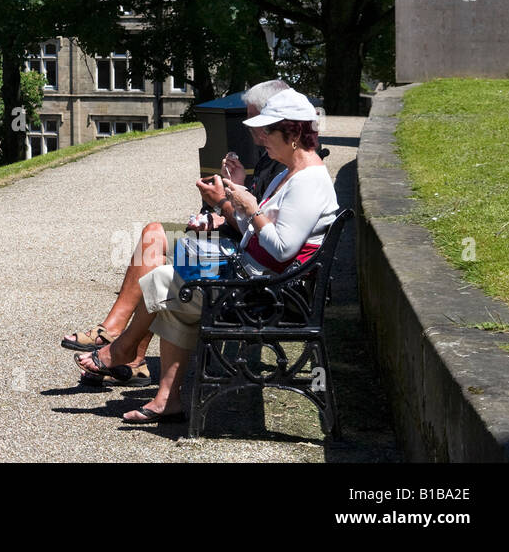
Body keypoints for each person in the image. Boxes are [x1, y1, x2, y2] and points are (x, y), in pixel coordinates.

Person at [75, 87, 339, 422]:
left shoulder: (308, 181)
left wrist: (250, 209)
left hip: (267, 295)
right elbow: (256, 237)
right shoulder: (291, 174)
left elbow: (282, 248)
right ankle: (163, 397)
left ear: (293, 134)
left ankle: (122, 350)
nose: (261, 137)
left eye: (269, 130)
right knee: (169, 288)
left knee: (164, 282)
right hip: (258, 280)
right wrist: (238, 205)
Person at [62, 79, 291, 376]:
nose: (249, 125)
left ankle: (125, 349)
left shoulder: (284, 161)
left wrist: (222, 204)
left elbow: (260, 228)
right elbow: (252, 215)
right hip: (233, 240)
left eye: (255, 118)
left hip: (241, 258)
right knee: (154, 233)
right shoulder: (271, 154)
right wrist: (235, 190)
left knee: (163, 259)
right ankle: (118, 338)